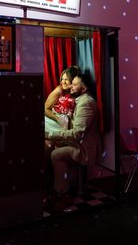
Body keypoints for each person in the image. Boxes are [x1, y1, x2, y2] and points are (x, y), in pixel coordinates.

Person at [44, 73, 102, 212]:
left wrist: (52, 134)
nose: (70, 86)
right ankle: (55, 192)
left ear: (84, 88)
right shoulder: (79, 99)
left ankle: (63, 196)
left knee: (56, 154)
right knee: (50, 148)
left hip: (85, 149)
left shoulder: (86, 103)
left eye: (75, 84)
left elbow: (77, 133)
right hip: (79, 143)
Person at [45, 66, 80, 132]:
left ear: (73, 80)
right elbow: (45, 109)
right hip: (52, 121)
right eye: (62, 79)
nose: (63, 82)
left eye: (66, 79)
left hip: (66, 124)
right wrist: (59, 120)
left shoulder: (76, 92)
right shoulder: (59, 90)